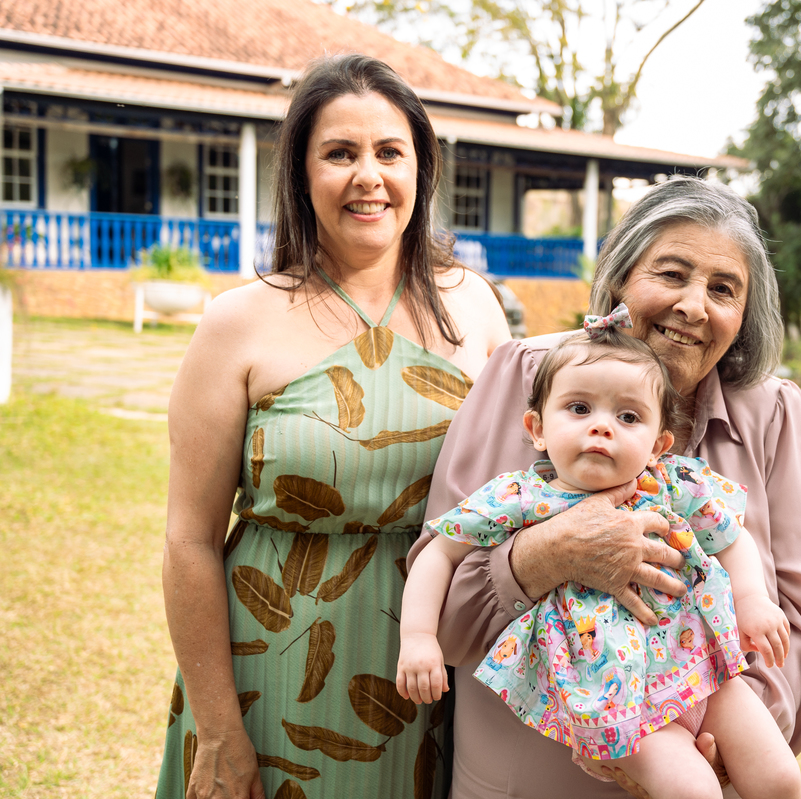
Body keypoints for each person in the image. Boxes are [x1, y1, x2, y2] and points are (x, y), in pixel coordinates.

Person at [409, 176, 801, 798]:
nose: (694, 305)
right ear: (619, 280)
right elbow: (440, 609)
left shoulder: (774, 415)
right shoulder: (529, 376)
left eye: (723, 289)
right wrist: (548, 555)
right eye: (670, 274)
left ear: (743, 317)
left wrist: (719, 752)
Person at [154, 53, 510, 799]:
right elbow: (188, 539)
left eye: (389, 152)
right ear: (302, 173)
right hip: (266, 677)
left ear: (422, 169)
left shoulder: (474, 307)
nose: (368, 176)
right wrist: (219, 726)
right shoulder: (236, 324)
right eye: (339, 153)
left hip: (431, 681)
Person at [397, 309, 800, 799]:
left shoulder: (674, 484)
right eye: (580, 409)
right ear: (537, 427)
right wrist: (418, 637)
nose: (602, 428)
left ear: (659, 444)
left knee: (780, 779)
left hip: (702, 668)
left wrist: (753, 599)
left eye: (628, 417)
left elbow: (732, 537)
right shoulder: (521, 498)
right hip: (613, 697)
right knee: (695, 791)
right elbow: (438, 554)